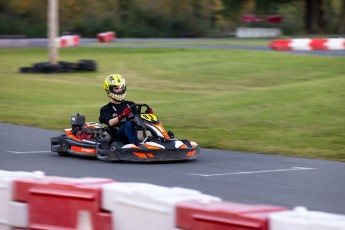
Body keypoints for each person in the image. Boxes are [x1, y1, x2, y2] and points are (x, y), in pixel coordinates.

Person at [99, 74, 153, 146]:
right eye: (116, 88)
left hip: (134, 132)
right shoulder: (105, 109)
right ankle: (138, 145)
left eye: (121, 87)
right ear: (108, 89)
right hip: (118, 137)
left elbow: (137, 118)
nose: (120, 90)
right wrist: (122, 115)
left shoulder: (130, 104)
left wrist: (147, 116)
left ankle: (161, 139)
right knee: (128, 125)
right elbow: (110, 122)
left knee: (149, 123)